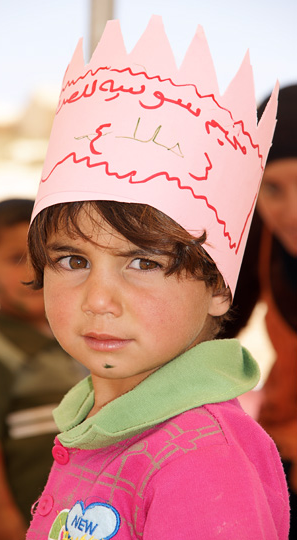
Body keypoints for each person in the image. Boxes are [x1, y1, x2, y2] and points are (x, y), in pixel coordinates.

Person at [26, 16, 290, 539]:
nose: (98, 299)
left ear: (218, 287)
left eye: (144, 263)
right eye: (72, 261)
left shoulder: (199, 460)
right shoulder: (96, 425)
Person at [0, 198, 88, 540]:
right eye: (16, 259)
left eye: (48, 259)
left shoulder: (80, 340)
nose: (33, 272)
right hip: (23, 521)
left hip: (77, 518)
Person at [220, 84, 297, 537]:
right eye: (271, 188)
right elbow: (211, 330)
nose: (291, 212)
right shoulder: (261, 241)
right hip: (282, 462)